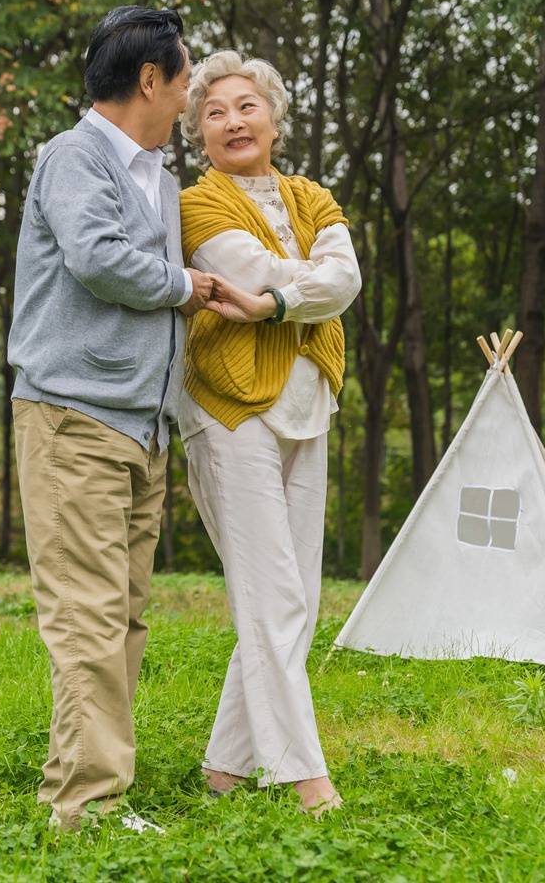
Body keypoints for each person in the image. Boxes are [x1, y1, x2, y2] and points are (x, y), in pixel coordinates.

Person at [7, 5, 217, 834]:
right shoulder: (74, 156)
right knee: (87, 613)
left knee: (122, 613)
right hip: (72, 416)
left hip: (142, 425)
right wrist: (185, 286)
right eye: (187, 80)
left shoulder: (159, 180)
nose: (191, 99)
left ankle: (85, 783)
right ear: (150, 79)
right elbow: (97, 259)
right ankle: (86, 805)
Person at [176, 50, 362, 816]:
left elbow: (344, 279)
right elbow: (250, 272)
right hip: (228, 406)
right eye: (214, 112)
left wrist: (285, 300)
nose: (232, 121)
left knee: (300, 596)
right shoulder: (196, 206)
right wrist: (299, 285)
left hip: (306, 399)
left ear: (275, 117)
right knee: (274, 594)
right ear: (198, 134)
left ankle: (226, 764)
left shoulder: (313, 195)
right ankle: (301, 774)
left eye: (246, 105)